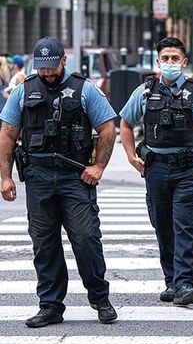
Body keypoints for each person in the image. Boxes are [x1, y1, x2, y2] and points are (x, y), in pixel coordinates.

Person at [0, 37, 118, 327]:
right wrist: (5, 177)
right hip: (38, 177)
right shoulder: (23, 90)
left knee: (86, 238)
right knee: (44, 243)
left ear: (64, 61)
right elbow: (7, 134)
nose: (47, 73)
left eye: (52, 67)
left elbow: (107, 129)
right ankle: (50, 306)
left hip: (75, 176)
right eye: (42, 68)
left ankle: (100, 299)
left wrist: (99, 166)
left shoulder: (84, 89)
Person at [119, 37, 193, 306]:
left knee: (186, 225)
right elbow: (124, 123)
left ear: (185, 62)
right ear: (158, 62)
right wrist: (131, 156)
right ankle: (171, 280)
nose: (170, 63)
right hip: (156, 168)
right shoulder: (145, 92)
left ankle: (184, 283)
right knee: (163, 226)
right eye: (165, 58)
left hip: (189, 169)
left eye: (175, 59)